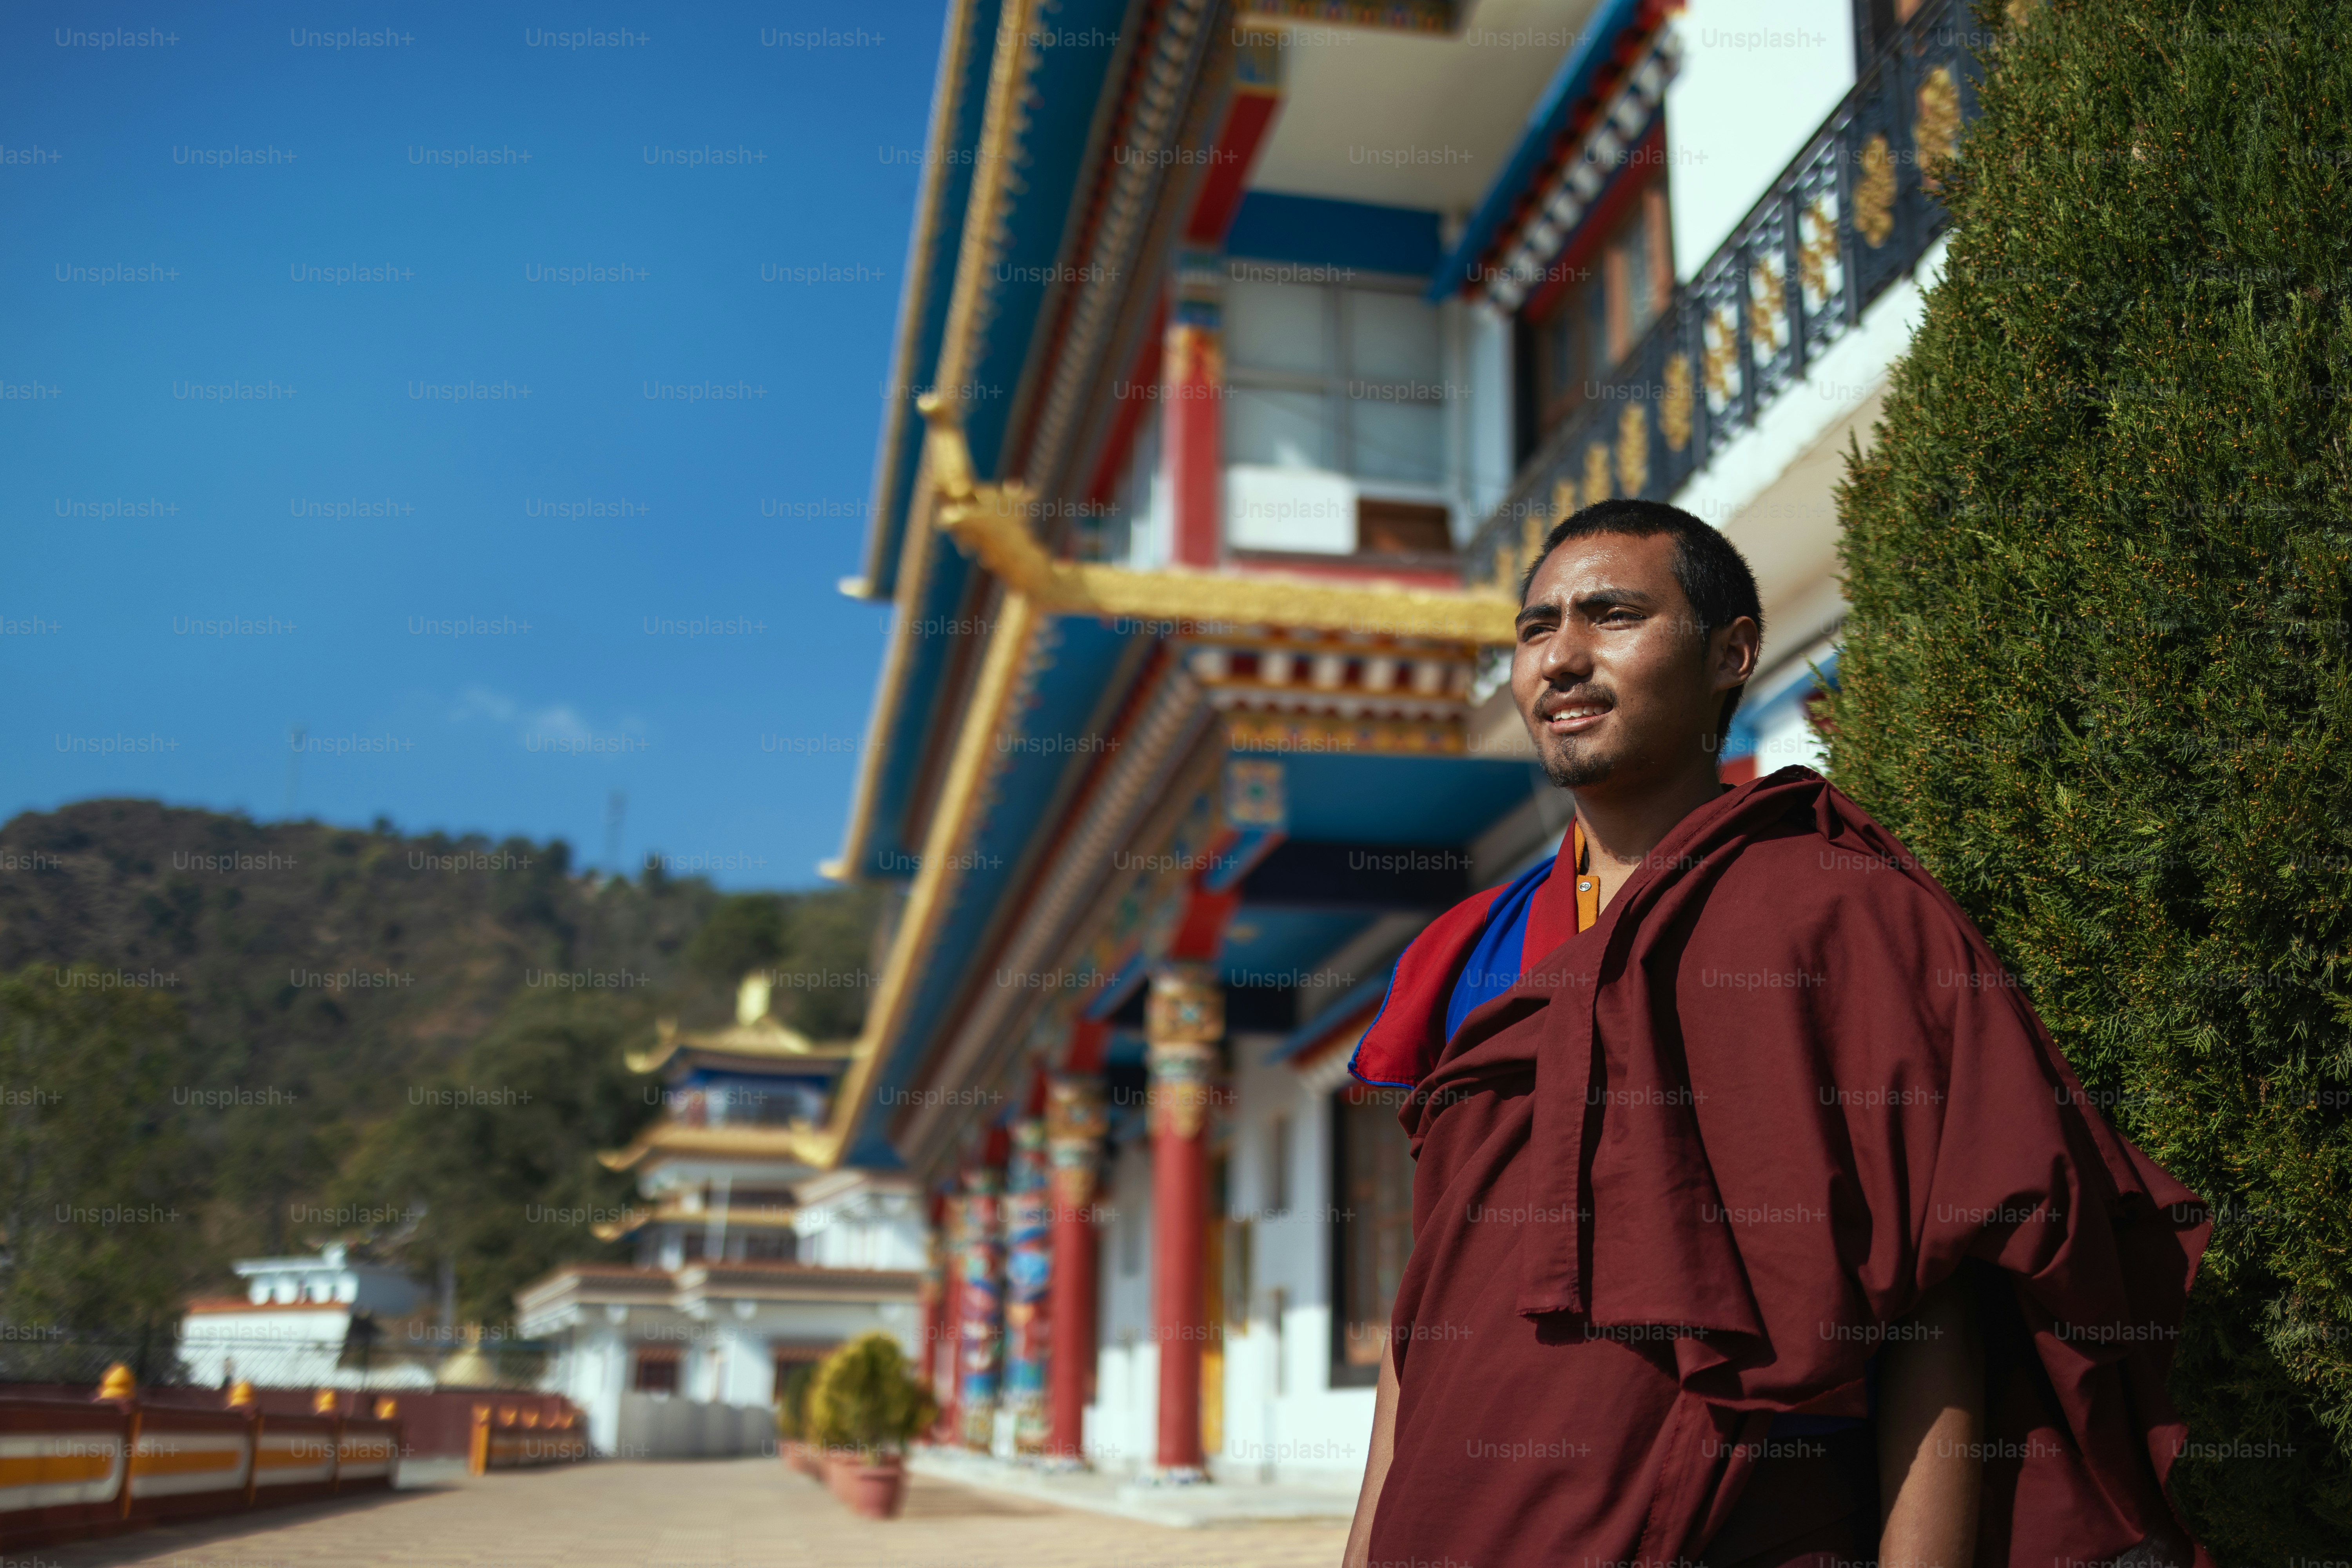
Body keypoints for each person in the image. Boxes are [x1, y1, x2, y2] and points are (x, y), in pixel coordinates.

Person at [1340, 500, 2209, 1568]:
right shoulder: (1472, 948)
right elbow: (1429, 1304)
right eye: (1535, 629)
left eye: (1610, 615)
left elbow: (1932, 1299)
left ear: (1730, 654)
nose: (1560, 657)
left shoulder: (1833, 911)